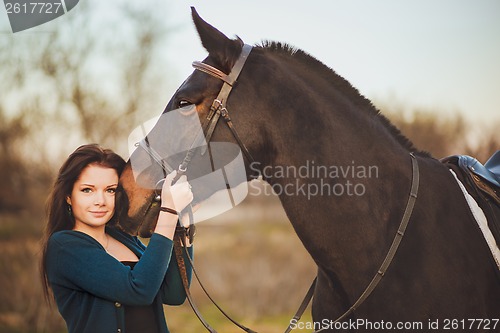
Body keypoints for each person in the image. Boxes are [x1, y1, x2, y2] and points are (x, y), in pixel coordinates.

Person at [40, 144, 194, 333]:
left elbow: (174, 294)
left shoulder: (124, 238)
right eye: (87, 190)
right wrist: (168, 211)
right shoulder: (64, 246)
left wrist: (183, 226)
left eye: (110, 190)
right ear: (68, 197)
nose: (100, 201)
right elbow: (139, 290)